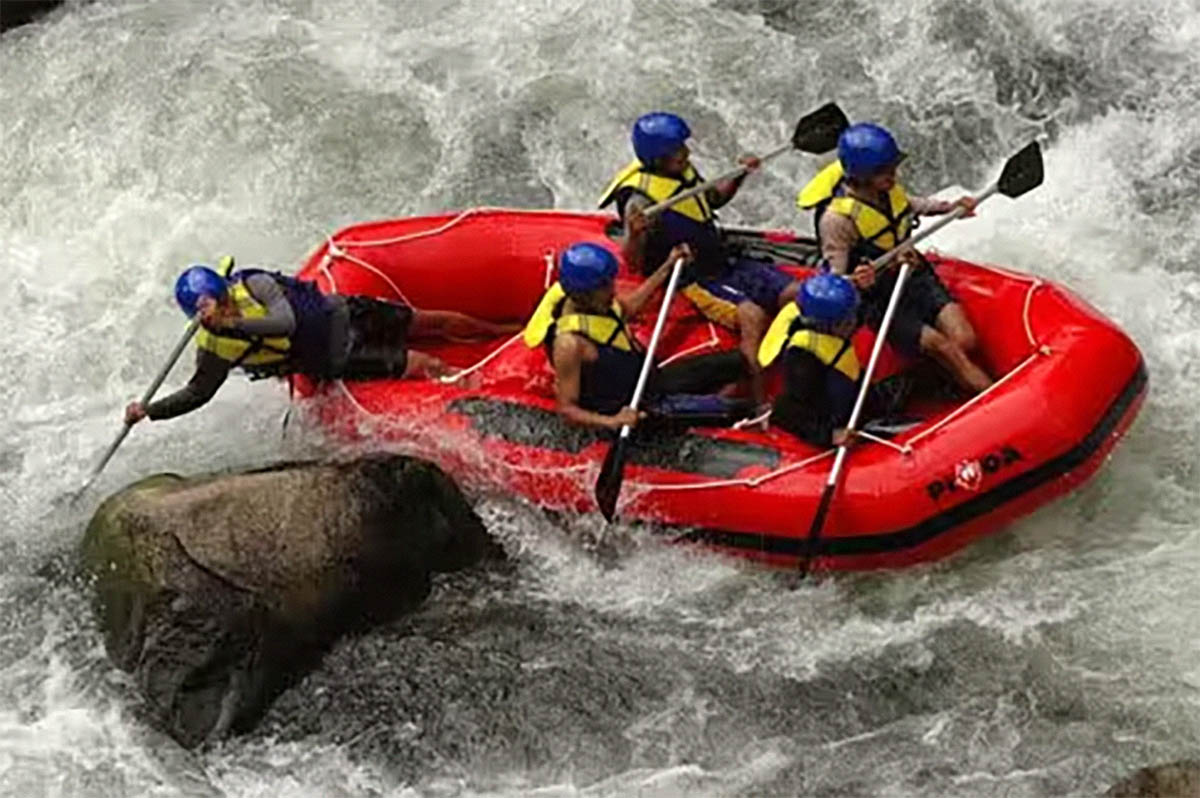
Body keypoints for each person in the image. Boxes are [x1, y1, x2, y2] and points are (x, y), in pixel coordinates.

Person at [125, 260, 516, 425]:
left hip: (342, 312)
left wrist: (236, 320)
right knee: (423, 363)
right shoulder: (214, 347)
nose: (224, 308)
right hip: (333, 355)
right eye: (218, 307)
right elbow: (199, 392)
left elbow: (285, 321)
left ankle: (502, 332)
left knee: (433, 321)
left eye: (223, 300)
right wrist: (150, 411)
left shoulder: (252, 283)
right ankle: (491, 390)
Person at [598, 112, 801, 405]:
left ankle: (787, 370)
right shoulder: (639, 201)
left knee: (795, 293)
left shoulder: (681, 171)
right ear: (657, 159)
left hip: (723, 261)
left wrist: (739, 175)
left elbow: (713, 200)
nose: (687, 152)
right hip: (692, 277)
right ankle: (758, 400)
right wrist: (635, 233)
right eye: (679, 150)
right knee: (752, 315)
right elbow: (632, 262)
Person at [796, 122, 993, 393]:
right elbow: (834, 281)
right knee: (944, 347)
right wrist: (856, 281)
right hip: (878, 298)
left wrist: (952, 207)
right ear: (862, 175)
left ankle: (930, 380)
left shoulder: (886, 188)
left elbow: (914, 204)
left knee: (965, 340)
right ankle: (988, 393)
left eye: (892, 167)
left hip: (914, 275)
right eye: (884, 171)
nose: (893, 175)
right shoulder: (837, 220)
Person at [522, 242, 749, 431]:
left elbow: (629, 308)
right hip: (639, 408)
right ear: (582, 296)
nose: (612, 290)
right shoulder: (569, 344)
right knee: (739, 410)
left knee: (737, 361)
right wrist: (613, 422)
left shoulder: (599, 302)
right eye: (604, 287)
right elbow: (567, 410)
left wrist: (667, 267)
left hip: (651, 380)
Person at [759, 273, 906, 447]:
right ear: (829, 325)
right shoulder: (802, 357)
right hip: (822, 413)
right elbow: (786, 412)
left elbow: (863, 314)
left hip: (848, 388)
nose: (853, 323)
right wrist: (829, 436)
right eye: (847, 321)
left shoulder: (825, 320)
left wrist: (870, 287)